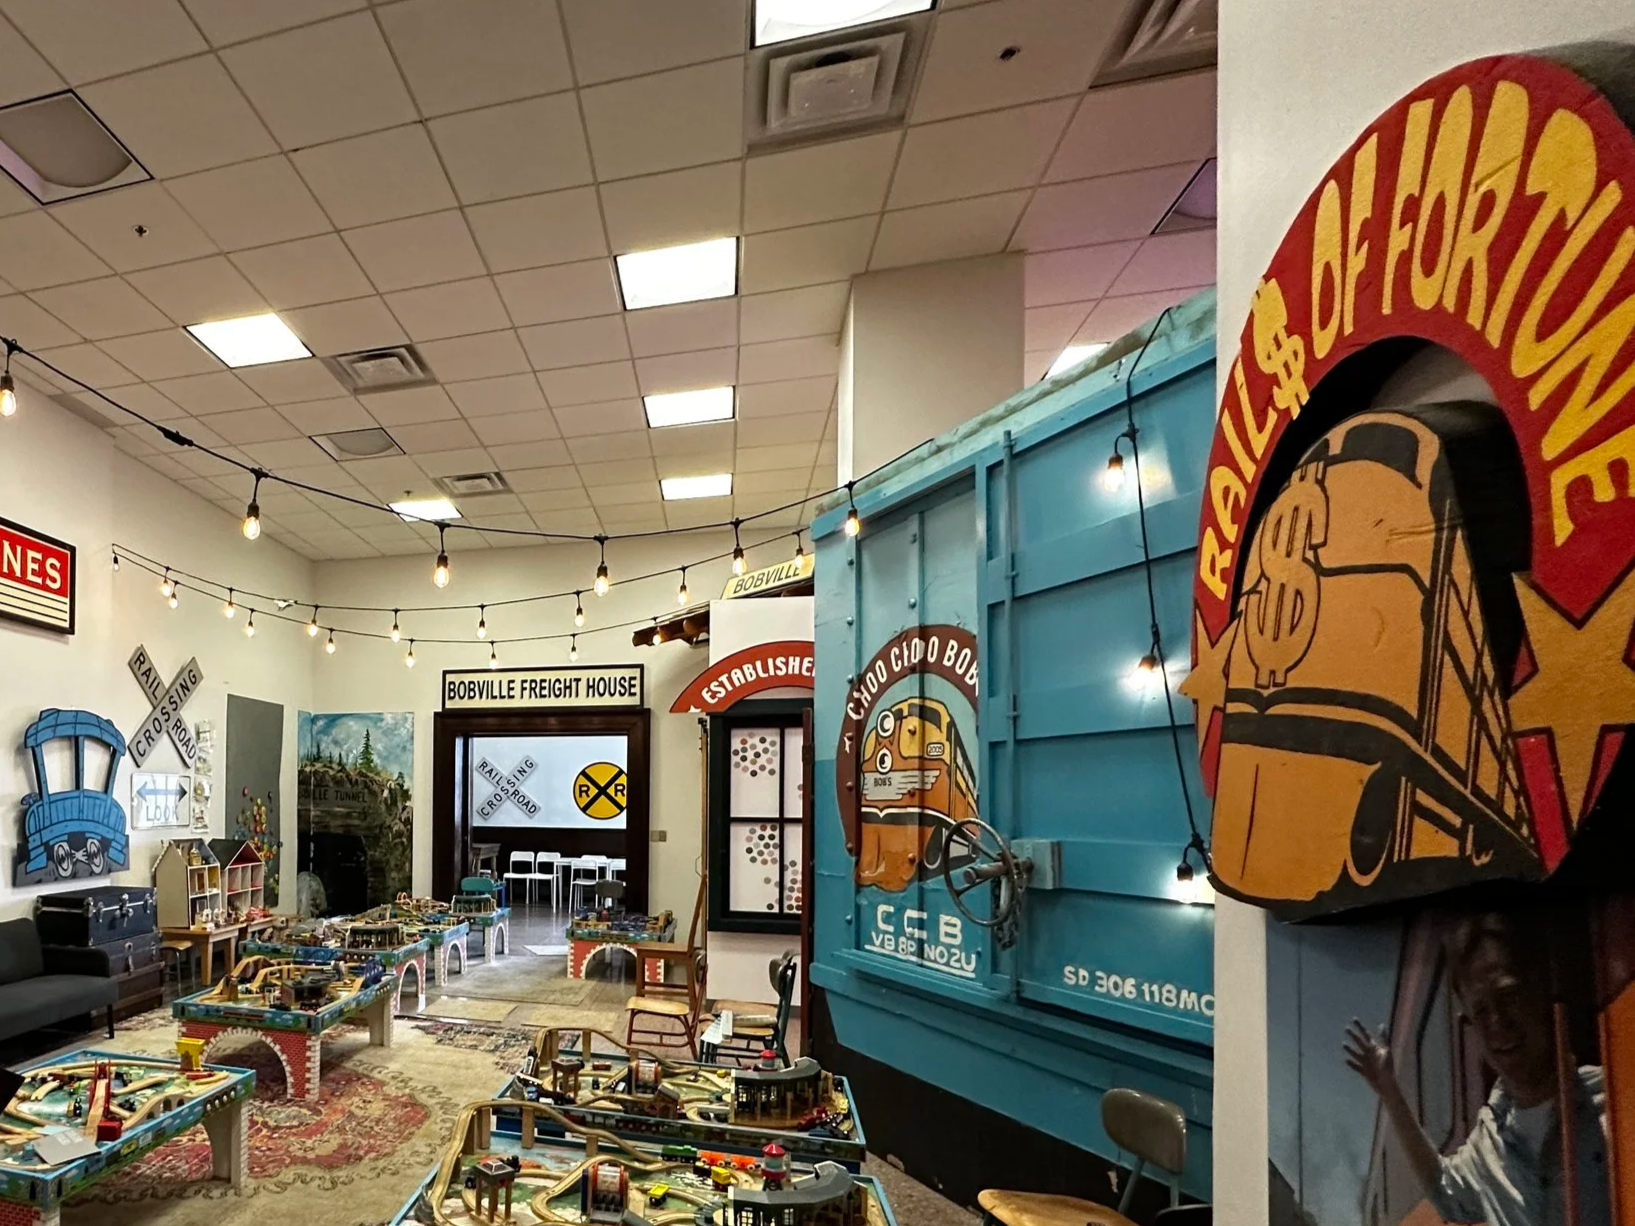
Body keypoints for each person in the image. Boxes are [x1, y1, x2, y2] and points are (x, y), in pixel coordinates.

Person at [1343, 910, 1608, 1226]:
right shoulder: (1486, 1147)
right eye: (1481, 1011)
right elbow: (1443, 1191)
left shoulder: (1616, 1104)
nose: (1498, 1022)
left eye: (1508, 996)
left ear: (1541, 990)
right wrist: (1390, 1093)